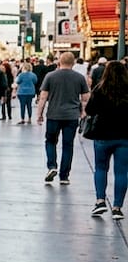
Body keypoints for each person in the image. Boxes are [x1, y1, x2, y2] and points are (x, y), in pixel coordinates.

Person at [37, 52, 90, 185]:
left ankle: (52, 166)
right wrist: (83, 112)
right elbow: (85, 99)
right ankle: (64, 176)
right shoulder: (79, 78)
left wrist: (39, 114)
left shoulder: (50, 76)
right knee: (68, 145)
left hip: (54, 115)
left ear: (59, 62)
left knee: (50, 141)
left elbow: (43, 97)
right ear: (73, 63)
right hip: (72, 116)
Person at [86, 60, 128, 220]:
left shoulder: (100, 89)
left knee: (101, 168)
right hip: (124, 136)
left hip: (102, 135)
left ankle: (100, 201)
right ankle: (117, 207)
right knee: (122, 172)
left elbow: (90, 110)